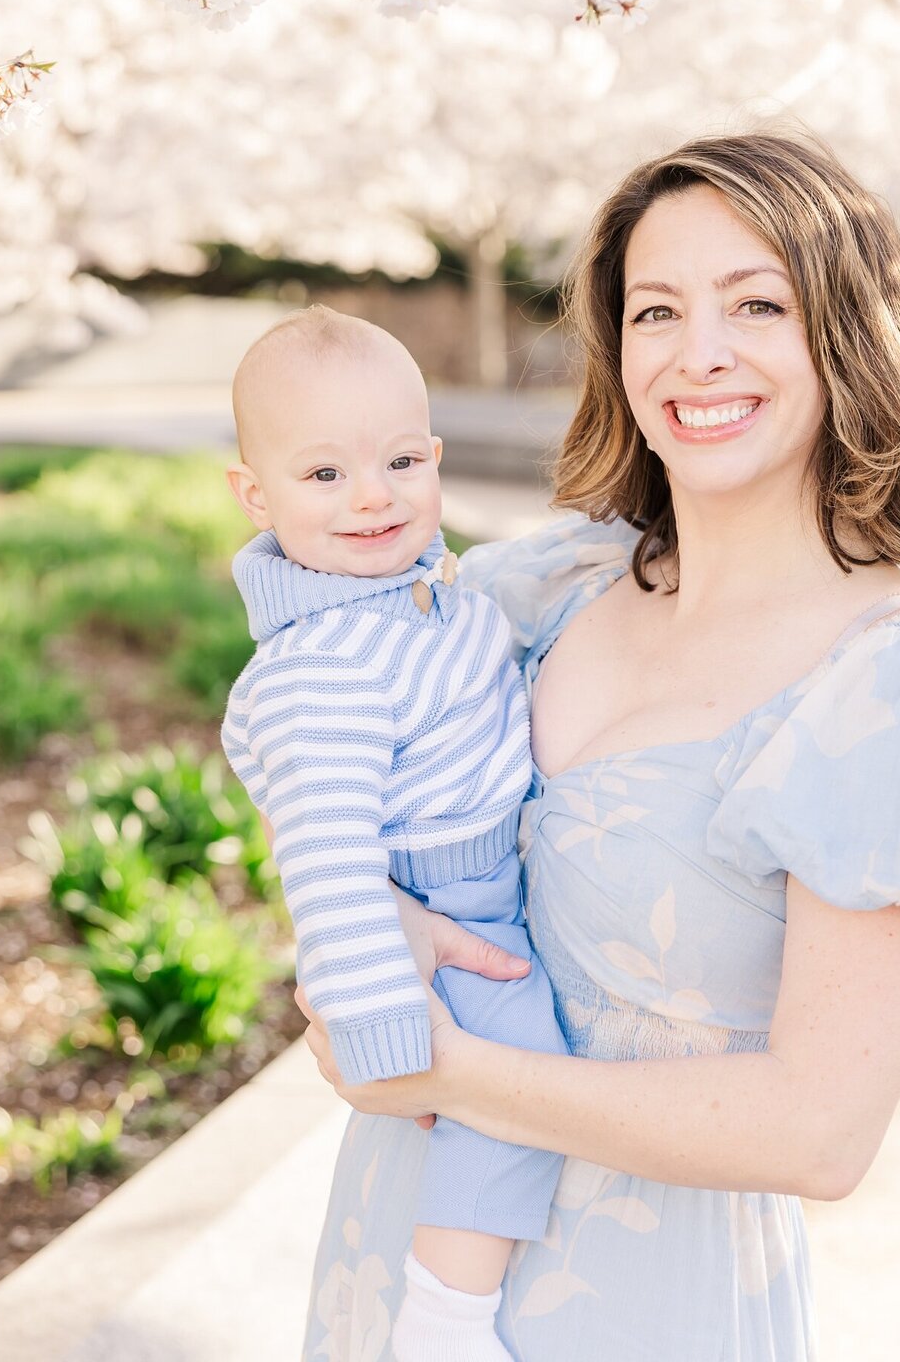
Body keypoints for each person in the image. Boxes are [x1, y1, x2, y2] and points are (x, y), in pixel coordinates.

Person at [294, 127, 900, 1362]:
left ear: (848, 337)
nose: (697, 352)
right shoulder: (540, 589)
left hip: (641, 1303)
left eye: (756, 303)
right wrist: (363, 922)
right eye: (655, 310)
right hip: (393, 1254)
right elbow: (319, 750)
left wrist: (441, 1068)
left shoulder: (898, 695)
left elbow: (818, 1132)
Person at [221, 309, 569, 1362]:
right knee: (517, 1088)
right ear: (256, 495)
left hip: (483, 871)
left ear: (436, 459)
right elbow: (325, 866)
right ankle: (445, 1322)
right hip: (448, 899)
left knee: (517, 1089)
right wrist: (386, 1037)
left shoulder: (422, 595)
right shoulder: (321, 667)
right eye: (324, 475)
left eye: (400, 460)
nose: (373, 494)